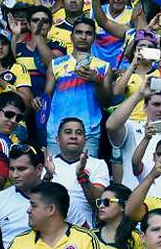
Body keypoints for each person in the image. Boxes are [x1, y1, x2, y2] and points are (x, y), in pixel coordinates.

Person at [45, 17, 111, 156]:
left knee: (86, 170)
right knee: (54, 170)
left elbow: (106, 102)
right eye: (79, 32)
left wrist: (96, 81)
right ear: (71, 36)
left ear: (94, 38)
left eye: (88, 33)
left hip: (89, 133)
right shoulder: (56, 64)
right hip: (56, 132)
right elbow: (46, 98)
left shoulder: (104, 67)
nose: (83, 37)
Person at [46, 117, 109, 228]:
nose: (73, 136)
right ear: (57, 139)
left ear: (85, 140)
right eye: (68, 132)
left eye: (79, 133)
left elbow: (99, 204)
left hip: (84, 232)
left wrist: (81, 176)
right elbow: (36, 200)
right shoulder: (47, 164)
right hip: (49, 230)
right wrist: (48, 175)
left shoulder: (98, 164)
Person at [0, 144, 45, 247]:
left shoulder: (57, 197)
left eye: (21, 169)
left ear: (39, 169)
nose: (15, 175)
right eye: (11, 169)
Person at [94, 183, 141, 249]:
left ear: (123, 206)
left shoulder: (137, 238)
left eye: (106, 202)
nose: (101, 206)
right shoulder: (90, 235)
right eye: (99, 202)